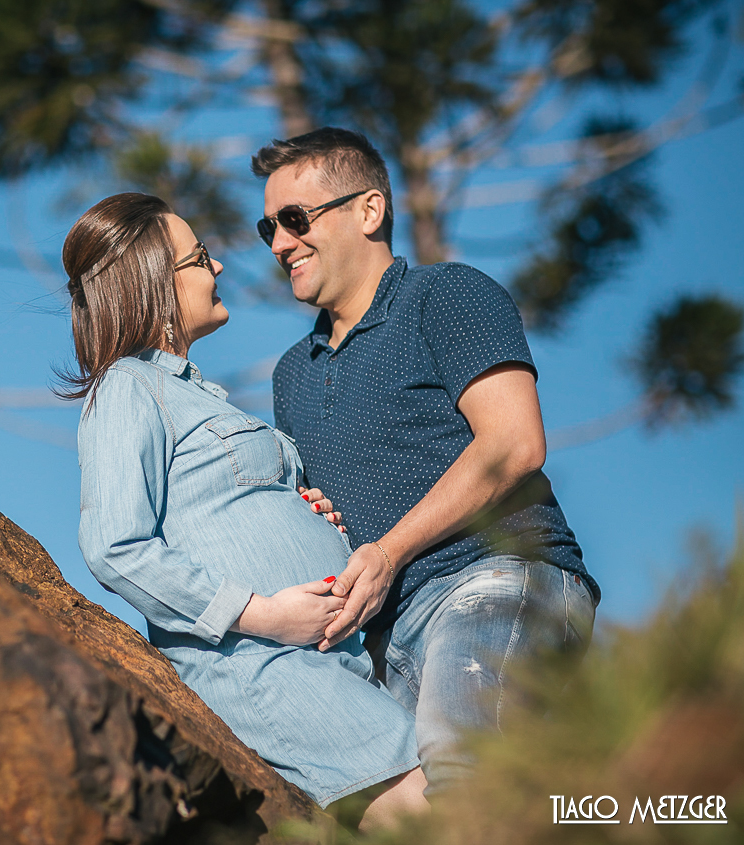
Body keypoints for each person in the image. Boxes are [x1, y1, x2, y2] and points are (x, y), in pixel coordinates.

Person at [252, 127, 600, 795]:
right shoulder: (291, 375)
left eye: (295, 219)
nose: (278, 244)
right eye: (268, 225)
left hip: (492, 579)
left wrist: (387, 550)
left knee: (464, 769)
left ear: (369, 209)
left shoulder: (447, 296)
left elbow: (514, 443)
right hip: (382, 637)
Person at [62, 192, 428, 826]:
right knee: (437, 816)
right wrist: (263, 613)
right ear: (154, 280)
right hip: (259, 665)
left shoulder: (200, 397)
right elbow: (115, 546)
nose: (220, 268)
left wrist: (306, 512)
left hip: (322, 663)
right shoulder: (127, 385)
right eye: (200, 257)